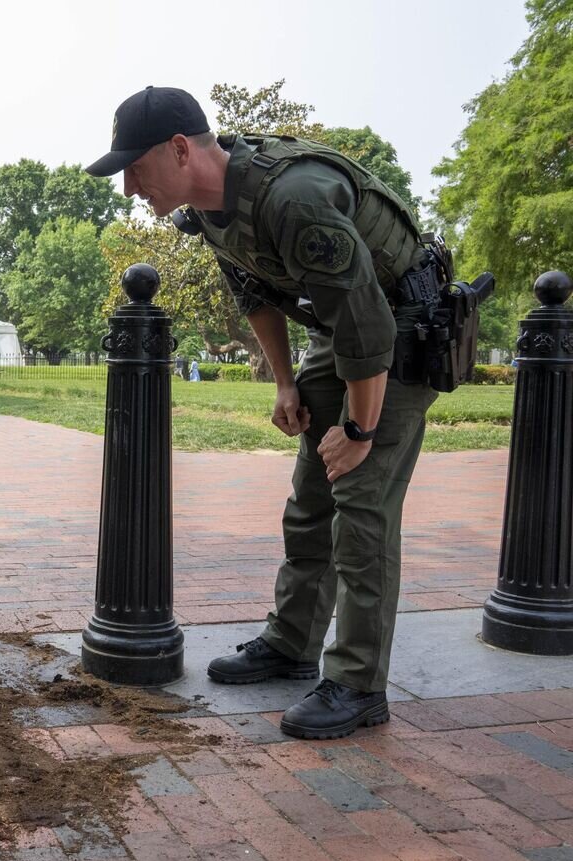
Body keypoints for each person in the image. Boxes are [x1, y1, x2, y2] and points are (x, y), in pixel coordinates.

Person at [87, 87, 442, 740]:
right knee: (311, 497)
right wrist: (284, 381)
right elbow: (251, 286)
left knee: (360, 504)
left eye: (135, 168)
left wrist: (359, 428)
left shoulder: (295, 198)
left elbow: (368, 323)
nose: (131, 188)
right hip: (341, 328)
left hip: (403, 331)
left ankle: (359, 683)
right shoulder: (206, 208)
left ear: (179, 149)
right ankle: (292, 640)